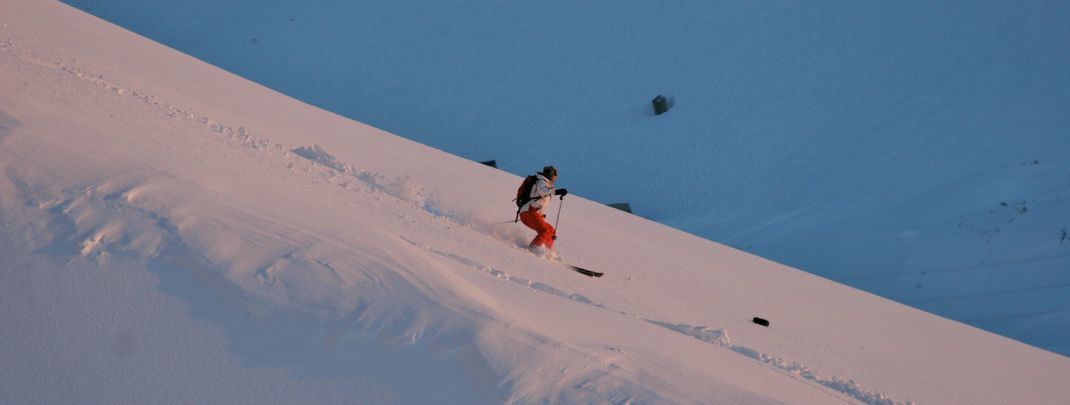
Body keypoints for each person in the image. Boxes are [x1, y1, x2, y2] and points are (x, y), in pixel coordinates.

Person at [519, 166, 568, 253]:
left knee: (551, 231)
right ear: (551, 175)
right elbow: (543, 190)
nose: (555, 178)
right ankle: (532, 250)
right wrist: (557, 191)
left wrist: (540, 214)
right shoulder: (541, 181)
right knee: (545, 231)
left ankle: (546, 251)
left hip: (531, 212)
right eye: (555, 175)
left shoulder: (544, 182)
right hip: (528, 212)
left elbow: (539, 202)